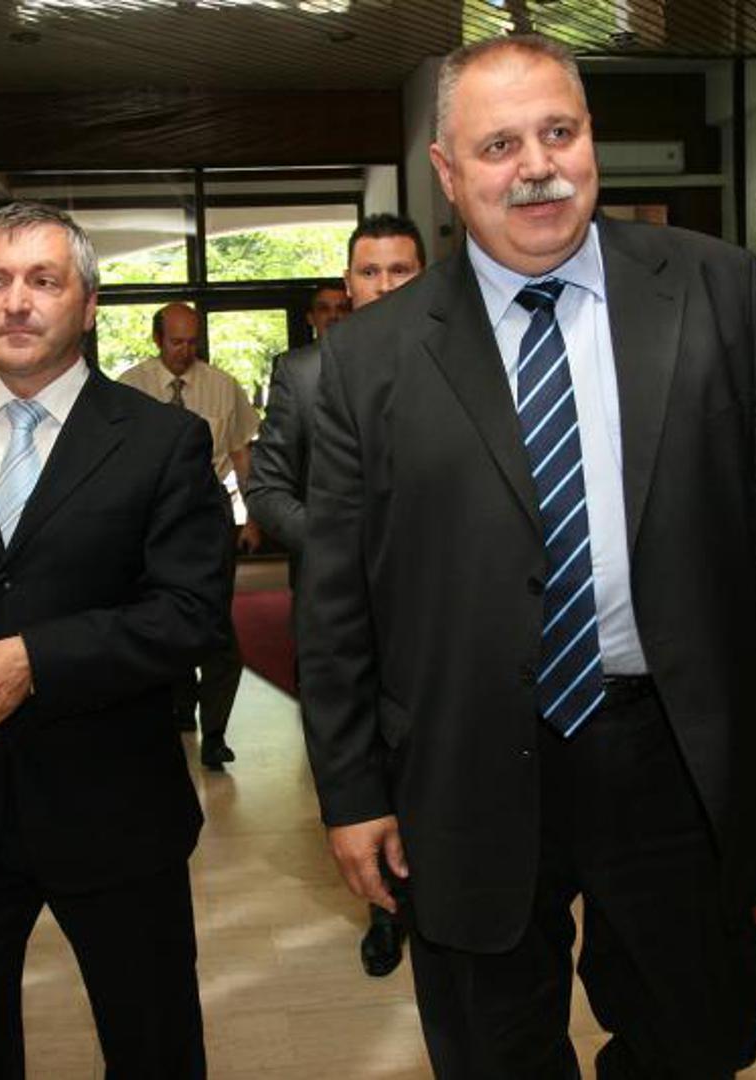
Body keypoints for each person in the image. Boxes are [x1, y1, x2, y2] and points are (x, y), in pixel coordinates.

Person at [298, 35, 756, 1078]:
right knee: (491, 1047)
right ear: (446, 172)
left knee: (695, 1034)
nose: (537, 167)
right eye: (499, 145)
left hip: (671, 740)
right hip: (465, 756)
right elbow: (335, 601)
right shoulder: (369, 358)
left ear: (591, 137)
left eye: (558, 132)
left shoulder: (715, 289)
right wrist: (351, 790)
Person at [0, 201, 229, 1078]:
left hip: (114, 809)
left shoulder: (162, 442)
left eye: (43, 281)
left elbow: (188, 613)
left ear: (87, 306)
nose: (16, 302)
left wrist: (35, 660)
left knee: (153, 1047)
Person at [245, 213, 427, 980]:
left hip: (446, 607)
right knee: (366, 759)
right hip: (346, 609)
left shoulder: (466, 361)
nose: (384, 285)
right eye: (369, 272)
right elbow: (267, 488)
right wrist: (341, 546)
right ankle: (386, 911)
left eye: (399, 270)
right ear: (347, 285)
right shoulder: (305, 374)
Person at [119, 303, 260, 770]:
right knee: (164, 612)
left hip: (209, 509)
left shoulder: (223, 386)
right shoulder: (130, 388)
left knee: (215, 621)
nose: (186, 351)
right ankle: (180, 704)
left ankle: (215, 732)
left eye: (193, 341)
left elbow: (240, 455)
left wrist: (253, 517)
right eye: (177, 342)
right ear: (157, 339)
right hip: (151, 515)